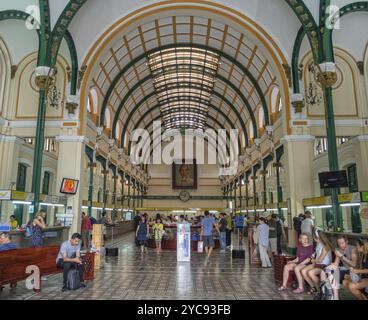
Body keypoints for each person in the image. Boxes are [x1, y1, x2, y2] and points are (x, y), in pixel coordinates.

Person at [320, 234, 358, 300]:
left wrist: (341, 256)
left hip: (352, 271)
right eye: (339, 243)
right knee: (325, 272)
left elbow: (354, 264)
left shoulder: (352, 249)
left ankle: (335, 297)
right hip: (343, 269)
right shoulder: (338, 249)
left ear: (347, 242)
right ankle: (330, 295)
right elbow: (336, 264)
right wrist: (328, 268)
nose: (340, 245)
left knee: (332, 275)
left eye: (342, 243)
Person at [301, 230, 332, 294]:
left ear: (319, 238)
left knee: (310, 272)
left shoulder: (326, 246)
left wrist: (312, 260)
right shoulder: (319, 243)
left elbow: (320, 260)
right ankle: (313, 287)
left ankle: (320, 289)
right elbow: (317, 252)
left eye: (315, 238)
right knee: (303, 271)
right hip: (317, 263)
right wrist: (314, 254)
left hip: (324, 265)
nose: (314, 240)